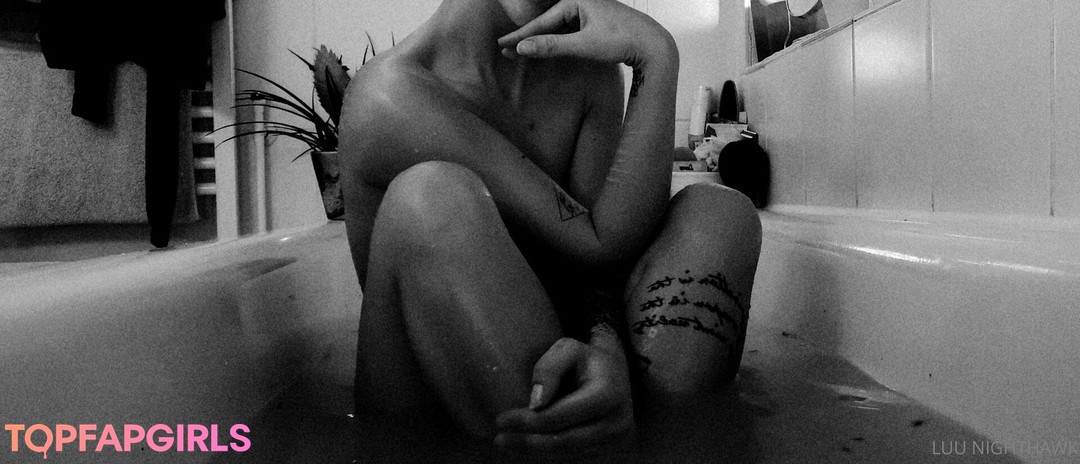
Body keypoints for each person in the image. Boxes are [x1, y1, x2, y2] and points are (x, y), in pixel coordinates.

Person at [337, 0, 762, 460]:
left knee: (721, 216)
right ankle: (585, 428)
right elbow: (599, 239)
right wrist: (655, 52)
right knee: (430, 199)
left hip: (552, 346)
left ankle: (635, 435)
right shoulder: (391, 94)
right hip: (424, 418)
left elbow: (599, 264)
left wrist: (607, 346)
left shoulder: (586, 73)